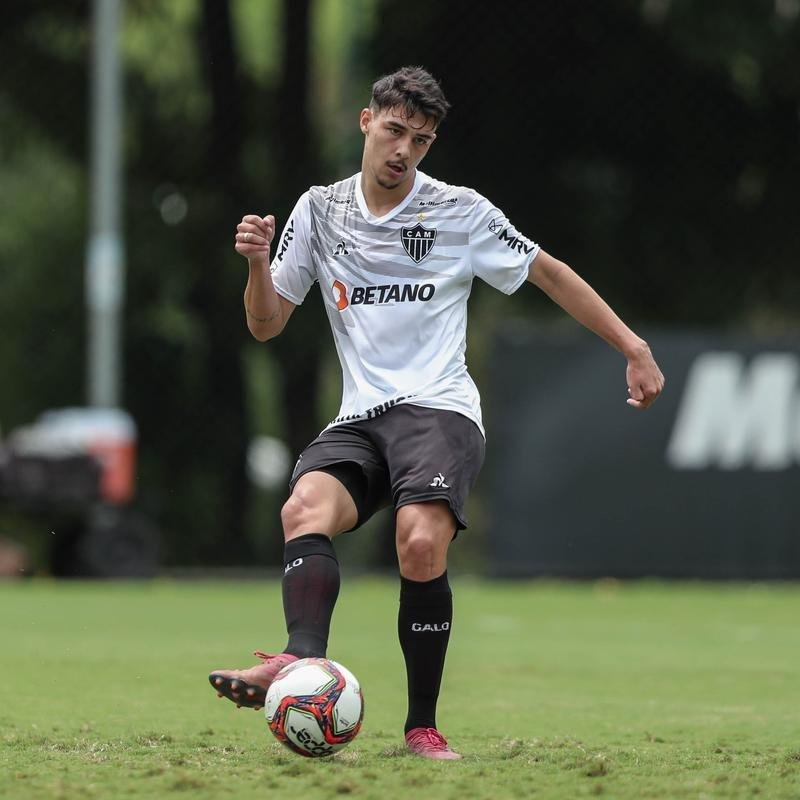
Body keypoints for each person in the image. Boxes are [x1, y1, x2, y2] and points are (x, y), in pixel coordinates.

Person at [209, 65, 664, 760]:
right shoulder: (320, 210)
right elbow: (266, 325)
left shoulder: (459, 211)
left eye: (420, 141)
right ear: (366, 121)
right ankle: (298, 661)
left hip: (439, 409)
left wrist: (632, 346)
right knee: (303, 509)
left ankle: (421, 725)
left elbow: (547, 272)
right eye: (394, 131)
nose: (404, 150)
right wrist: (257, 266)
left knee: (419, 542)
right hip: (361, 417)